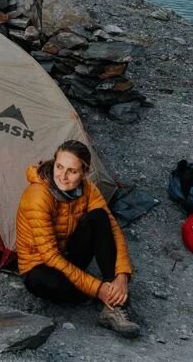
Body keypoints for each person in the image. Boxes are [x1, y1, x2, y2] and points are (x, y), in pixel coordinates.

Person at [15, 139, 141, 337]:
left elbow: (113, 229)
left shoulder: (88, 189)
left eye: (72, 171)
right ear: (53, 162)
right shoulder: (38, 196)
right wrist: (98, 288)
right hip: (40, 265)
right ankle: (102, 295)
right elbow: (49, 256)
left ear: (85, 172)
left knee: (99, 217)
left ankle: (115, 306)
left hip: (67, 256)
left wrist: (122, 275)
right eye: (59, 167)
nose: (62, 176)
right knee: (43, 280)